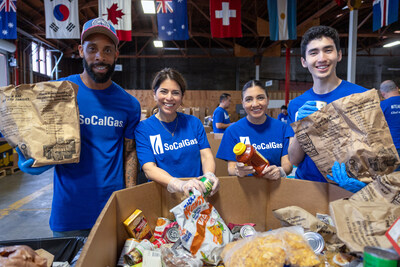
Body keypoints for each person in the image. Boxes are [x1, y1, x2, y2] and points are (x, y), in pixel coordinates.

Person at [16, 18, 141, 237]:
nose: (100, 57)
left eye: (107, 50)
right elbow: (34, 134)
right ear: (81, 50)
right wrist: (28, 155)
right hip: (69, 213)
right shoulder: (59, 93)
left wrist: (130, 199)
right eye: (92, 49)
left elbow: (130, 152)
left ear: (116, 55)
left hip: (111, 211)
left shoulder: (129, 104)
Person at [287, 25, 368, 192]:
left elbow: (375, 152)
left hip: (348, 191)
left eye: (328, 50)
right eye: (314, 52)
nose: (321, 58)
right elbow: (294, 159)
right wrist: (302, 127)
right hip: (308, 188)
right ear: (304, 61)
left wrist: (364, 183)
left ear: (338, 55)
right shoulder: (296, 105)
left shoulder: (361, 97)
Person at [135, 68, 219, 196]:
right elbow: (149, 169)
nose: (169, 98)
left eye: (175, 93)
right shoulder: (144, 129)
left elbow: (206, 155)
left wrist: (209, 176)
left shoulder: (193, 123)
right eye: (163, 91)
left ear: (182, 96)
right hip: (165, 196)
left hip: (197, 194)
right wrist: (179, 184)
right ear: (154, 94)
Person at [216, 80, 292, 179]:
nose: (255, 104)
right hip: (247, 189)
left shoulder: (283, 128)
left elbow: (287, 164)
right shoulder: (233, 131)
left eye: (260, 98)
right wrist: (238, 171)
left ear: (268, 100)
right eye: (249, 99)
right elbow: (231, 167)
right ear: (242, 103)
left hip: (275, 188)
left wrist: (280, 170)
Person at [379, 80, 400, 170]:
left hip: (391, 147)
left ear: (382, 94)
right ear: (397, 89)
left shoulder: (381, 106)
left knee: (393, 179)